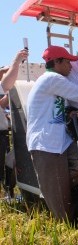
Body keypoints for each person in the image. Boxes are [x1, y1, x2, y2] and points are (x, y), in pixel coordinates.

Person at [26, 46, 78, 221]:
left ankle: (72, 203)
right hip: (46, 143)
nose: (72, 66)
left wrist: (70, 112)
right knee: (59, 196)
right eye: (68, 62)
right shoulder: (52, 79)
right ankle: (66, 229)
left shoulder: (52, 83)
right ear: (57, 62)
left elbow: (58, 107)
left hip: (59, 141)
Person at [0, 50, 29, 198]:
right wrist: (16, 62)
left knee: (8, 162)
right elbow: (6, 83)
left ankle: (8, 192)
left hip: (3, 135)